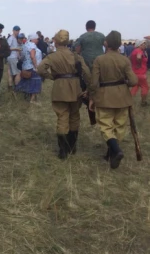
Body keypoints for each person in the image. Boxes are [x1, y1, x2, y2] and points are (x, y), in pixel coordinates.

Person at [37, 30, 91, 159]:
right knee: (74, 116)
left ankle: (63, 151)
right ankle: (72, 147)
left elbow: (40, 69)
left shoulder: (52, 56)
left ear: (55, 41)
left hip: (60, 88)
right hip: (76, 88)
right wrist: (88, 88)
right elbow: (87, 73)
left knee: (62, 117)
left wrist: (51, 76)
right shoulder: (76, 56)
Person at [89, 31, 138, 169]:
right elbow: (133, 81)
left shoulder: (99, 59)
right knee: (119, 126)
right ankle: (111, 154)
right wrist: (123, 83)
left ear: (107, 43)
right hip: (122, 97)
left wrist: (92, 97)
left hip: (105, 97)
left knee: (106, 126)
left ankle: (116, 151)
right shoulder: (125, 60)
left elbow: (94, 83)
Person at [15, 32, 43, 104]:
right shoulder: (32, 45)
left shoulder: (25, 45)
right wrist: (36, 66)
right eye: (36, 39)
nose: (37, 40)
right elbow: (32, 56)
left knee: (25, 81)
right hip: (31, 66)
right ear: (33, 39)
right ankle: (32, 99)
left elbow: (22, 57)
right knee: (35, 81)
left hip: (25, 66)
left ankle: (16, 91)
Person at [129, 39, 148, 106]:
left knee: (135, 87)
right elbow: (139, 57)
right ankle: (143, 102)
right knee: (145, 87)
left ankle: (128, 101)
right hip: (141, 73)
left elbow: (130, 58)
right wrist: (139, 64)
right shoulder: (139, 51)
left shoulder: (134, 51)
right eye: (143, 44)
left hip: (134, 72)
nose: (145, 45)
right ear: (140, 45)